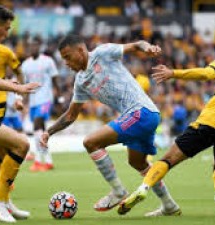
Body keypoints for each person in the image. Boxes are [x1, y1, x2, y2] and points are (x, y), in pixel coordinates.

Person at [40, 34, 181, 215]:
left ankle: (118, 190)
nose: (66, 63)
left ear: (81, 50)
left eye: (68, 57)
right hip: (143, 116)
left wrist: (147, 47)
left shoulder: (102, 53)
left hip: (141, 111)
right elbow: (71, 115)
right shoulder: (81, 82)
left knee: (91, 142)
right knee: (137, 163)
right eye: (63, 59)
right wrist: (48, 132)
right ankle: (169, 205)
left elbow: (136, 44)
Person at [118, 62, 215, 214]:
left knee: (168, 160)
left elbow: (206, 74)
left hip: (209, 122)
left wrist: (173, 73)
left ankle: (144, 187)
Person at [0, 5, 40, 223]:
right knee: (21, 144)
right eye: (6, 29)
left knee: (4, 152)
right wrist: (17, 89)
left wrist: (11, 86)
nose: (7, 34)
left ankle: (4, 201)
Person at [22, 37, 61, 172]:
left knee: (37, 124)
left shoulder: (47, 61)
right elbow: (25, 85)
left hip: (45, 99)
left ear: (39, 47)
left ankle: (38, 160)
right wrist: (24, 101)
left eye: (35, 46)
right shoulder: (25, 64)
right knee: (40, 131)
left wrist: (59, 98)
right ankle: (49, 161)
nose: (33, 48)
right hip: (33, 101)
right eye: (30, 46)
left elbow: (55, 78)